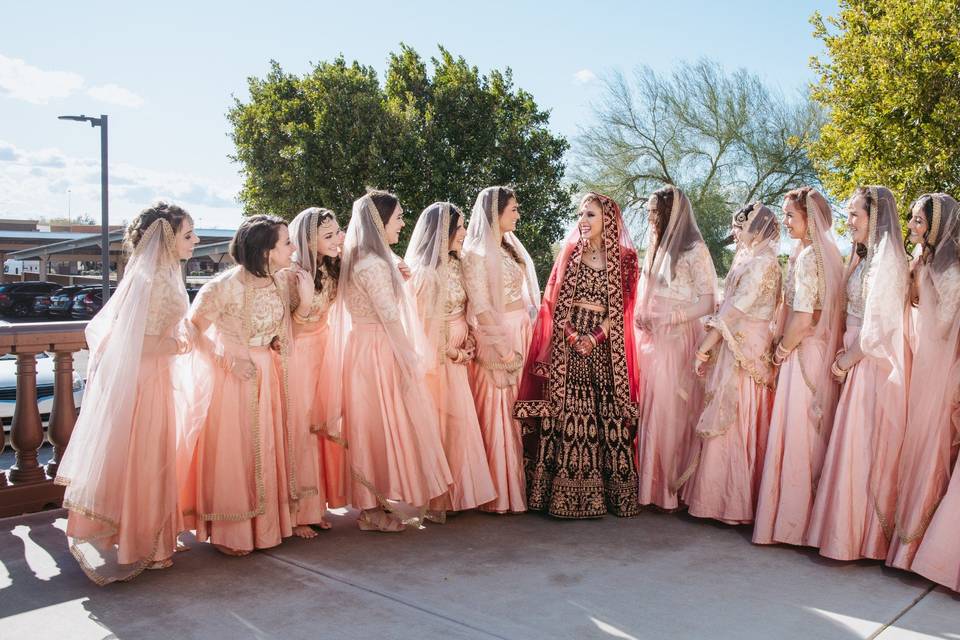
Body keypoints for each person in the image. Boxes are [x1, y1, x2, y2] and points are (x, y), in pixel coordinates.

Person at [55, 201, 199, 584]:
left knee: (155, 455)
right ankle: (142, 544)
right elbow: (130, 343)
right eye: (188, 235)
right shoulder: (149, 279)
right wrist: (179, 345)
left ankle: (155, 535)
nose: (196, 241)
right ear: (165, 239)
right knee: (145, 458)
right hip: (145, 381)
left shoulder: (163, 274)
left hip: (157, 378)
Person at [323, 190, 452, 531]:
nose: (403, 223)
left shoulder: (369, 260)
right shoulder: (374, 265)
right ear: (380, 223)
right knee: (376, 424)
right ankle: (370, 510)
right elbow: (390, 317)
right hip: (378, 350)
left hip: (365, 347)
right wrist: (409, 357)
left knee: (375, 425)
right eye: (398, 218)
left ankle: (375, 502)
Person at [515, 192, 641, 518]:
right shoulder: (570, 252)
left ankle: (610, 497)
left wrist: (595, 337)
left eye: (591, 216)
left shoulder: (625, 258)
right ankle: (559, 497)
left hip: (605, 345)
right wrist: (574, 336)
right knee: (569, 410)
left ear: (607, 220)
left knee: (606, 411)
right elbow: (553, 301)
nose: (583, 221)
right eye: (581, 215)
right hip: (569, 343)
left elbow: (626, 307)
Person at [806, 186, 909, 561]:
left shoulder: (889, 261)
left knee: (862, 447)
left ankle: (860, 540)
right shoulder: (866, 258)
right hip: (853, 358)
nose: (848, 222)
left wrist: (844, 362)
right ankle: (841, 534)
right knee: (850, 446)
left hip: (869, 366)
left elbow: (878, 328)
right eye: (847, 214)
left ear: (876, 217)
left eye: (855, 215)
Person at [753, 187, 844, 546]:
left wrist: (779, 352)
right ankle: (808, 521)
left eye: (791, 215)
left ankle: (792, 522)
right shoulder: (828, 253)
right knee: (810, 431)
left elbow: (805, 318)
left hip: (802, 352)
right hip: (819, 352)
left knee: (797, 432)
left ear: (809, 219)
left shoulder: (808, 258)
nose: (786, 221)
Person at [680, 203, 781, 525]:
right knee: (727, 413)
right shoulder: (752, 259)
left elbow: (735, 310)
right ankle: (715, 498)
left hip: (747, 347)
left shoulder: (764, 264)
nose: (735, 234)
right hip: (736, 341)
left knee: (738, 417)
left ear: (756, 229)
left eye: (740, 227)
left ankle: (732, 504)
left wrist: (703, 348)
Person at [405, 202, 497, 515]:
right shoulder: (426, 274)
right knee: (444, 423)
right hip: (439, 362)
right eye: (458, 228)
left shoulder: (458, 265)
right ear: (442, 232)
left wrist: (469, 338)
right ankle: (439, 498)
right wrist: (454, 351)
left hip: (460, 356)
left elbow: (465, 307)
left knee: (460, 425)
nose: (464, 233)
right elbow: (422, 327)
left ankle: (461, 491)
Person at [887, 193, 960, 571]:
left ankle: (920, 540)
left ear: (936, 225)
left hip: (938, 361)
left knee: (931, 443)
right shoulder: (925, 259)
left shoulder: (949, 265)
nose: (913, 226)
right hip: (921, 354)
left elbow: (949, 321)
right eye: (912, 219)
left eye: (919, 221)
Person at [633, 186, 717, 511]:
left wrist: (674, 317)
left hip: (679, 335)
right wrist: (643, 314)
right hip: (653, 337)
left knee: (671, 411)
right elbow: (647, 287)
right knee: (651, 405)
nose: (650, 217)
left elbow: (709, 300)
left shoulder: (695, 249)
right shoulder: (654, 246)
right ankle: (648, 486)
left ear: (669, 213)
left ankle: (668, 489)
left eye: (655, 211)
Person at [462, 186, 540, 513]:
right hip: (498, 335)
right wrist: (502, 348)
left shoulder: (507, 248)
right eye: (514, 210)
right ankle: (500, 494)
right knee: (499, 408)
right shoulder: (477, 253)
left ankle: (522, 484)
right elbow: (480, 306)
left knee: (519, 407)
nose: (518, 215)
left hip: (521, 329)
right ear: (496, 213)